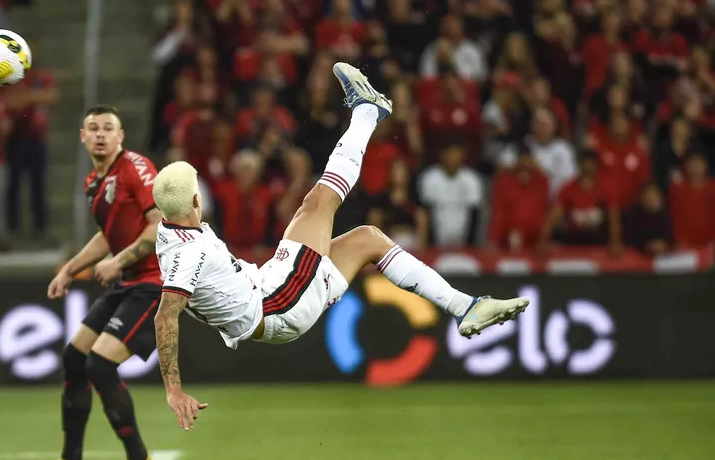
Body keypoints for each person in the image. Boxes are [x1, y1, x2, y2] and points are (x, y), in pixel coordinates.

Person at [152, 64, 530, 430]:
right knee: (318, 202)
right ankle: (368, 110)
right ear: (197, 201)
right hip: (277, 302)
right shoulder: (189, 252)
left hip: (270, 293)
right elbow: (166, 315)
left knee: (367, 239)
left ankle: (466, 307)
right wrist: (173, 390)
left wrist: (120, 259)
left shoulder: (168, 230)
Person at [21, 105, 163, 460]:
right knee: (75, 357)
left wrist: (118, 261)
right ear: (82, 136)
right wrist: (70, 269)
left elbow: (158, 225)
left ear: (121, 137)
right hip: (125, 284)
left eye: (108, 128)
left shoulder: (135, 167)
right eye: (93, 128)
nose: (100, 134)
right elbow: (107, 235)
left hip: (152, 283)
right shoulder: (94, 181)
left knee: (100, 365)